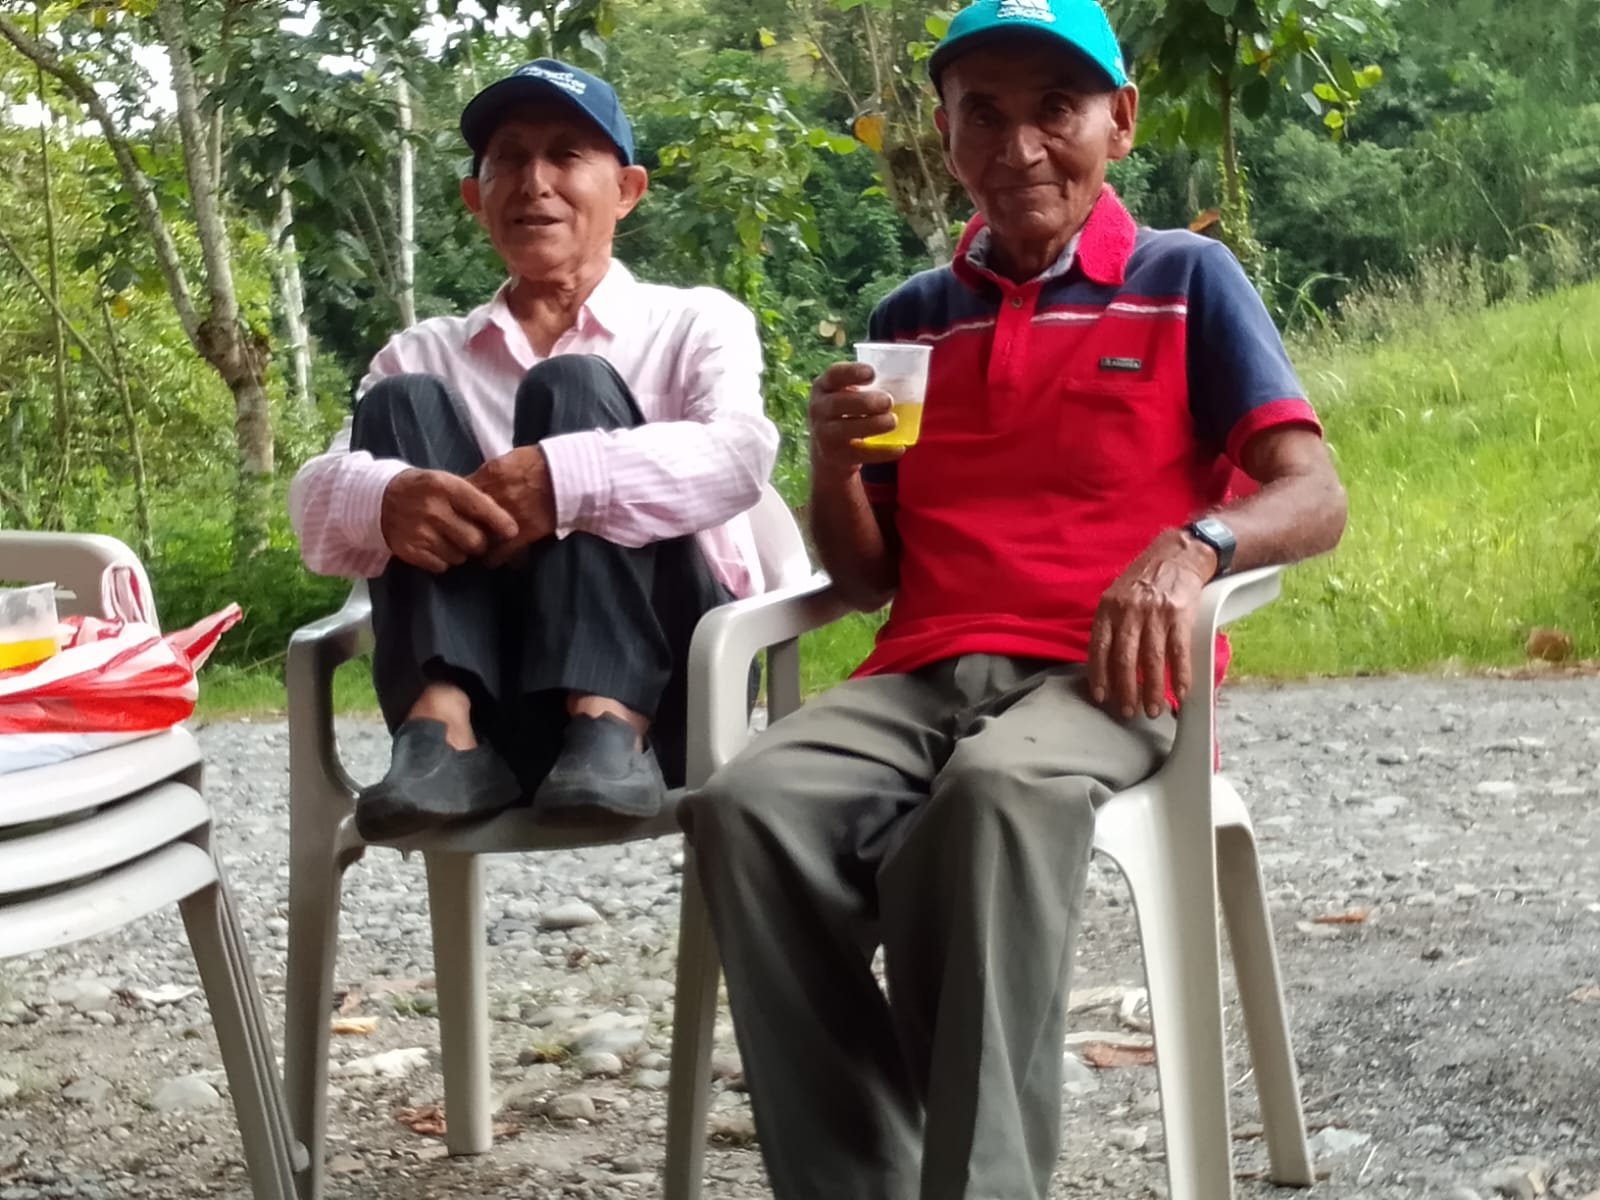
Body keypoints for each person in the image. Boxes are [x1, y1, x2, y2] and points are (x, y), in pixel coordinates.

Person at [679, 1, 1349, 1197]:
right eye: (982, 114)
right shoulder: (910, 318)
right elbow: (866, 579)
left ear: (1118, 122)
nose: (1020, 145)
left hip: (1104, 672)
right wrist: (832, 466)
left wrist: (1194, 545)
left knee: (992, 792)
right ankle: (861, 1178)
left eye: (1056, 109)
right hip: (921, 669)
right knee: (746, 804)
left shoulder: (1184, 279)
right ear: (945, 135)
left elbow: (1314, 494)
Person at [289, 59, 777, 840]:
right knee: (398, 407)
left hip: (676, 695)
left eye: (566, 155)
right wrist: (385, 501)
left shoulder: (693, 323)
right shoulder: (423, 353)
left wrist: (565, 480)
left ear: (628, 189)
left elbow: (741, 458)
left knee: (573, 386)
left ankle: (608, 714)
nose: (535, 181)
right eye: (509, 158)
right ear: (475, 198)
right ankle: (443, 728)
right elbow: (314, 514)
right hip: (499, 720)